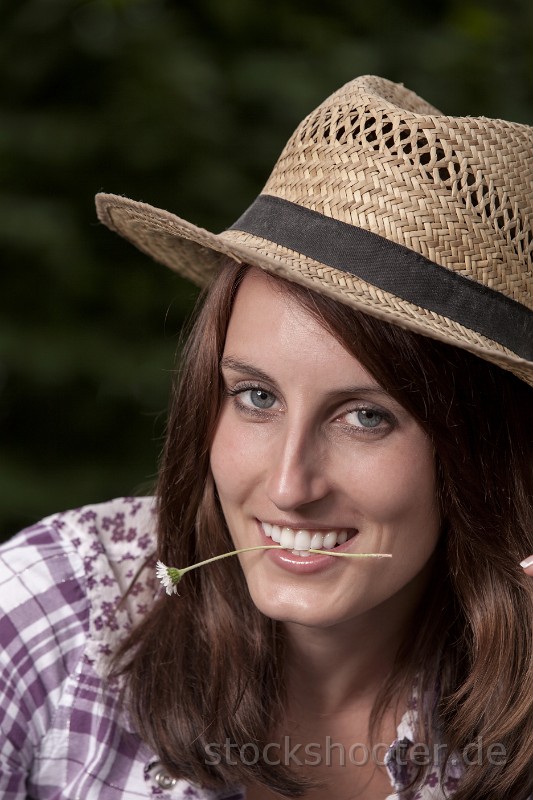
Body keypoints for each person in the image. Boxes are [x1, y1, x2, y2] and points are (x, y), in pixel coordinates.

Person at [1, 75, 532, 800]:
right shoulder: (56, 610)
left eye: (366, 417)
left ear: (483, 454)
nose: (288, 486)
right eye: (255, 397)